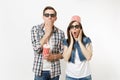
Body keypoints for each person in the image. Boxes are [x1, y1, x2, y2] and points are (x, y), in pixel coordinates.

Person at [31, 6, 65, 80]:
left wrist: (53, 57)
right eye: (47, 15)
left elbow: (63, 53)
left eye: (52, 15)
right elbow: (36, 49)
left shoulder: (60, 33)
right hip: (40, 71)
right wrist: (47, 33)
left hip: (54, 72)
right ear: (43, 17)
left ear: (55, 18)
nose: (49, 17)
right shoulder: (35, 29)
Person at [63, 15, 93, 80]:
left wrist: (79, 41)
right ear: (69, 29)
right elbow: (65, 58)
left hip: (85, 76)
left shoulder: (86, 40)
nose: (74, 28)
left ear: (80, 29)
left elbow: (88, 57)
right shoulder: (66, 41)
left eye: (77, 26)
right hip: (70, 76)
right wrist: (71, 43)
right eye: (72, 27)